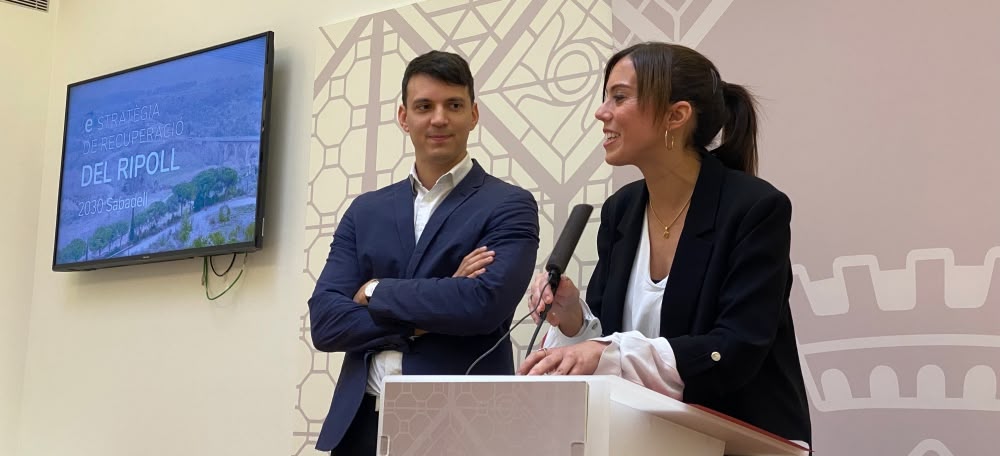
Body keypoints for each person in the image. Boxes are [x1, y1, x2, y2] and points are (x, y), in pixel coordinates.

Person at [517, 42, 812, 445]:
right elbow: (611, 339)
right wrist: (572, 319)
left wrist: (608, 353)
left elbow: (735, 350)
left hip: (744, 442)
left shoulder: (756, 209)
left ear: (677, 115)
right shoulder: (622, 210)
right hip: (645, 438)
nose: (602, 113)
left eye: (619, 97)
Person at [309, 50, 539, 455]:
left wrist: (376, 291)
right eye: (424, 106)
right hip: (361, 423)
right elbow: (327, 323)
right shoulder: (366, 211)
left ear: (474, 114)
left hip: (461, 425)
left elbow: (482, 305)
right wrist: (429, 311)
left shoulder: (509, 205)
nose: (438, 118)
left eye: (453, 105)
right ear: (403, 117)